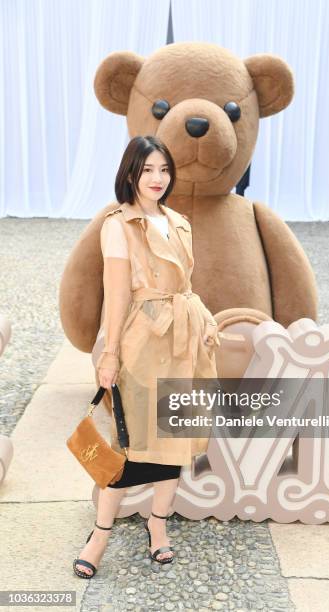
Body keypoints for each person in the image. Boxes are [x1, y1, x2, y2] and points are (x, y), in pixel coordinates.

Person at [73, 135, 220, 577]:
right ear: (130, 173)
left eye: (164, 170)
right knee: (128, 442)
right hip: (141, 340)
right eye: (147, 170)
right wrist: (110, 353)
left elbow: (187, 286)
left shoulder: (179, 222)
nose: (157, 179)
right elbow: (116, 294)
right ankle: (100, 534)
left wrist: (207, 319)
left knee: (173, 439)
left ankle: (158, 526)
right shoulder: (117, 224)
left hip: (184, 339)